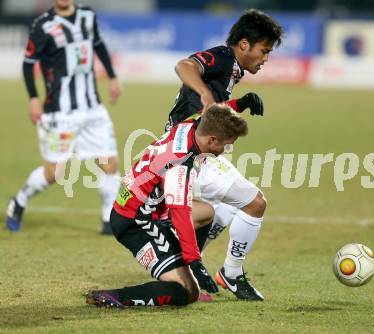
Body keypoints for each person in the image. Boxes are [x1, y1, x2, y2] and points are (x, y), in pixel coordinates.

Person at [166, 9, 283, 301]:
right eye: (264, 50)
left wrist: (239, 103)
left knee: (226, 208)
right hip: (189, 155)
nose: (265, 58)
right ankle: (228, 272)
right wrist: (205, 93)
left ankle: (190, 264)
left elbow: (211, 107)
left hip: (186, 151)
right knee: (255, 204)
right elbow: (184, 66)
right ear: (244, 45)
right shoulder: (222, 56)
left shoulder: (232, 71)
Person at [86, 104, 248, 308]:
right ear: (212, 140)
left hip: (142, 206)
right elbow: (180, 212)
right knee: (188, 292)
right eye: (226, 145)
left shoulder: (191, 125)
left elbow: (209, 113)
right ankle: (113, 296)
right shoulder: (180, 164)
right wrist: (195, 262)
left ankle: (182, 267)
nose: (225, 151)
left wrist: (239, 104)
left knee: (206, 212)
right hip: (136, 221)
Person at [5, 0, 122, 234]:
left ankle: (108, 220)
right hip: (60, 112)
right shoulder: (43, 25)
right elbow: (29, 63)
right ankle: (18, 201)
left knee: (110, 163)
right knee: (54, 173)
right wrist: (33, 98)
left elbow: (97, 44)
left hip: (92, 108)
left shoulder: (88, 16)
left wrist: (112, 77)